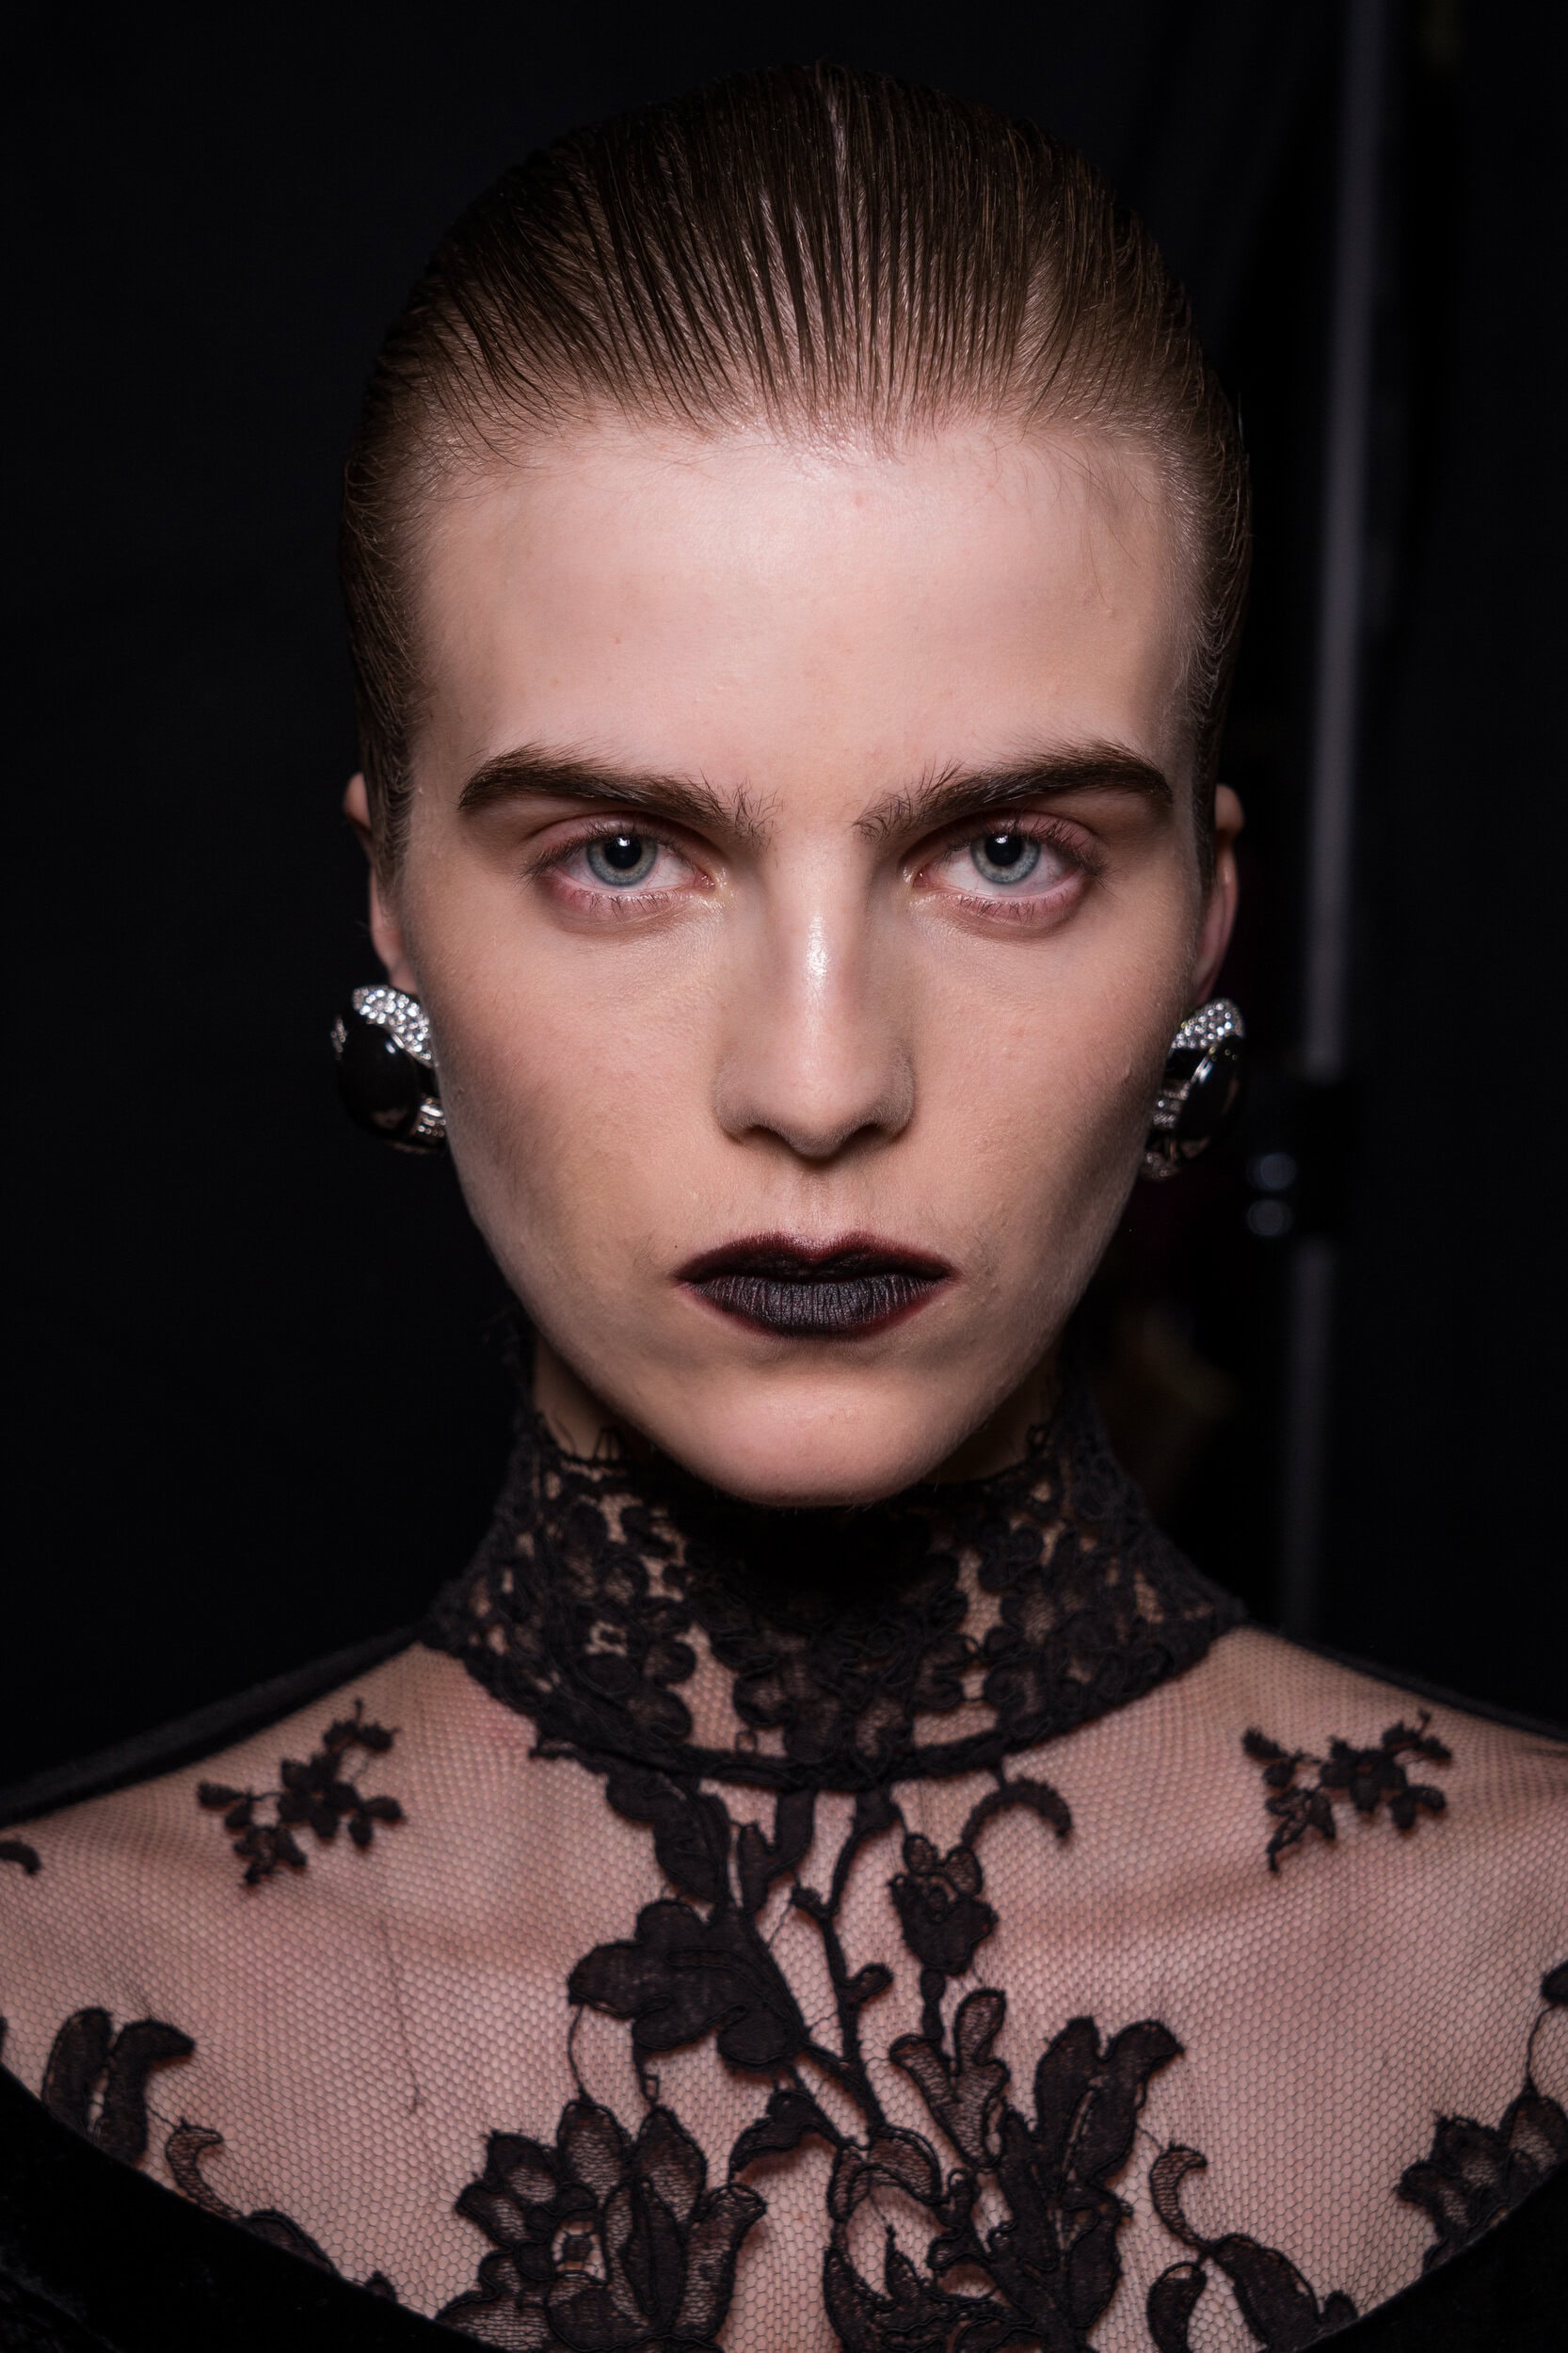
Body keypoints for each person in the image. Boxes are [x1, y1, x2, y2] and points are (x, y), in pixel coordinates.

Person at [0, 64, 1561, 2353]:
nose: (819, 1084)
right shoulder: (48, 2015)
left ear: (1203, 922)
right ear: (394, 905)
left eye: (1004, 853)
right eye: (622, 854)